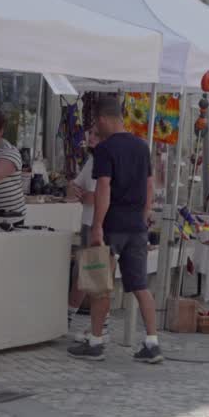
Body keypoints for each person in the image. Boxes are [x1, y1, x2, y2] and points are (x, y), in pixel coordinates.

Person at [68, 97, 160, 363]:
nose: (96, 126)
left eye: (97, 121)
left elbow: (103, 188)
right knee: (140, 286)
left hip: (113, 224)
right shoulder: (142, 147)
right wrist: (143, 217)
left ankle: (96, 341)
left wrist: (97, 225)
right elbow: (149, 186)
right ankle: (152, 342)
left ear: (106, 119)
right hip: (135, 226)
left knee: (100, 285)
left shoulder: (106, 150)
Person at [66, 129, 104, 337]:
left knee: (92, 274)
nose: (90, 137)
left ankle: (99, 327)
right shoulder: (92, 160)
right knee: (83, 272)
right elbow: (76, 186)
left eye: (95, 134)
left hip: (99, 223)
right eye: (90, 133)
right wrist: (74, 188)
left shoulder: (105, 161)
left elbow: (100, 195)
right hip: (88, 222)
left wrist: (87, 195)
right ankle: (70, 316)